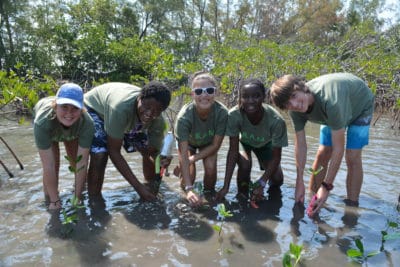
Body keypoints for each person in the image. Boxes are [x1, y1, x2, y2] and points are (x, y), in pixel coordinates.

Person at [270, 73, 374, 217]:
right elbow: (300, 145)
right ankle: (312, 198)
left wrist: (326, 187)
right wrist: (299, 181)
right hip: (332, 113)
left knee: (352, 156)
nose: (293, 105)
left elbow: (339, 149)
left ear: (302, 88)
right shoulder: (295, 111)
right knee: (323, 152)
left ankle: (352, 207)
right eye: (287, 104)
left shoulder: (329, 101)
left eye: (293, 96)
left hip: (360, 106)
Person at [84, 81, 171, 201]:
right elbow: (114, 151)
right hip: (95, 109)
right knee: (100, 153)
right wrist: (138, 188)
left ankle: (149, 186)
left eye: (156, 111)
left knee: (148, 150)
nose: (150, 113)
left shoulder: (158, 121)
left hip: (126, 117)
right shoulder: (120, 108)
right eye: (146, 107)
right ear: (139, 98)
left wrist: (161, 165)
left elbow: (154, 154)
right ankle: (94, 201)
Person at [216, 78, 288, 203]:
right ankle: (242, 195)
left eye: (256, 96)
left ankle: (262, 191)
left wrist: (262, 182)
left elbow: (277, 157)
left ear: (264, 97)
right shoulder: (234, 115)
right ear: (240, 98)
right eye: (245, 97)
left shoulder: (276, 121)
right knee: (244, 164)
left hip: (265, 144)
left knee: (277, 180)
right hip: (244, 142)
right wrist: (225, 186)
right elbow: (233, 152)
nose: (250, 101)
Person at [33, 83, 94, 210]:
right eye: (64, 107)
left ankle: (79, 191)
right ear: (55, 106)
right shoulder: (42, 122)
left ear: (82, 109)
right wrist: (54, 201)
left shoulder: (87, 123)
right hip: (50, 127)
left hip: (74, 130)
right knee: (53, 166)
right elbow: (47, 167)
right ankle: (49, 199)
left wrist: (77, 198)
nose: (69, 113)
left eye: (75, 108)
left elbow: (82, 163)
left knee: (75, 162)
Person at [174, 71, 228, 206]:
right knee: (189, 176)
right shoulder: (183, 118)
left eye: (209, 90)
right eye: (199, 91)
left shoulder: (222, 113)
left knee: (210, 168)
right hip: (189, 144)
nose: (204, 95)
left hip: (209, 144)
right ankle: (186, 194)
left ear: (215, 93)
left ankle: (209, 197)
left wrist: (191, 159)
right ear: (192, 94)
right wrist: (189, 189)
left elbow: (215, 146)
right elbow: (184, 150)